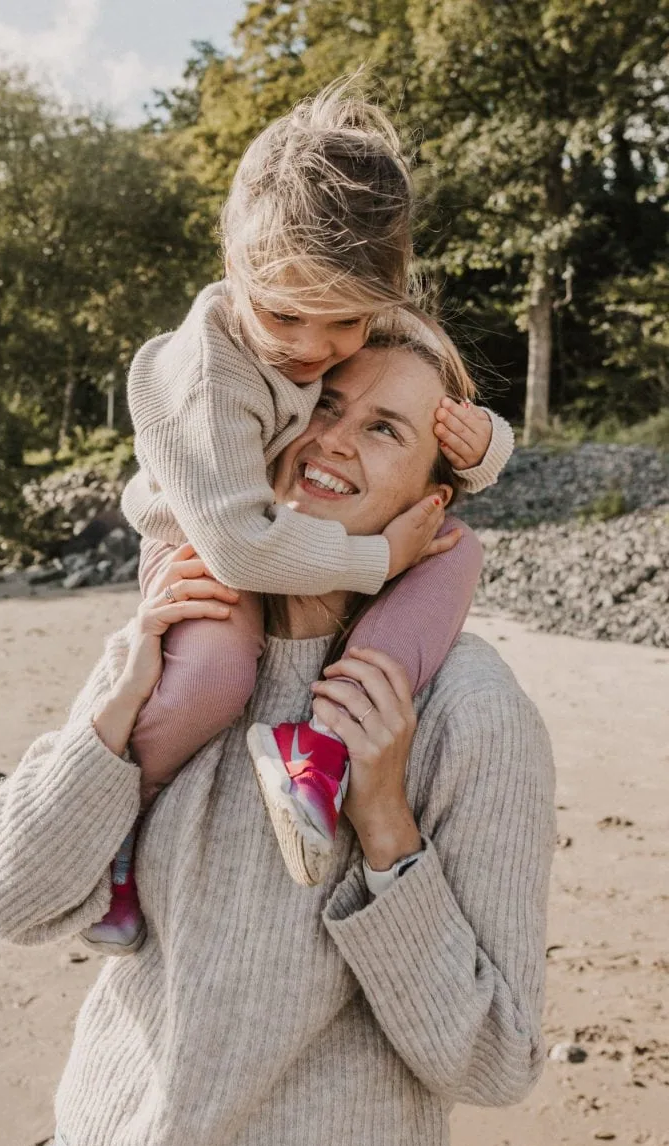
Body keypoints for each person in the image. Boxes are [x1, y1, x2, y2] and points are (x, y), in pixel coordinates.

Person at [0, 335, 555, 1146]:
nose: (334, 439)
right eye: (323, 403)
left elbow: (498, 1060)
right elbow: (9, 900)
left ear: (433, 500)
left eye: (386, 429)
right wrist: (113, 727)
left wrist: (387, 832)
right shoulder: (175, 648)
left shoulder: (472, 713)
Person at [85, 81, 514, 952]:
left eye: (347, 323)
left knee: (453, 546)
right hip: (212, 537)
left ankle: (321, 742)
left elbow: (430, 387)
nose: (314, 347)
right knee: (212, 676)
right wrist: (376, 560)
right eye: (285, 316)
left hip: (279, 534)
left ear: (380, 292)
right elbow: (241, 545)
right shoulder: (213, 377)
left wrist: (485, 447)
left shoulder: (329, 286)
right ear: (233, 262)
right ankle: (115, 839)